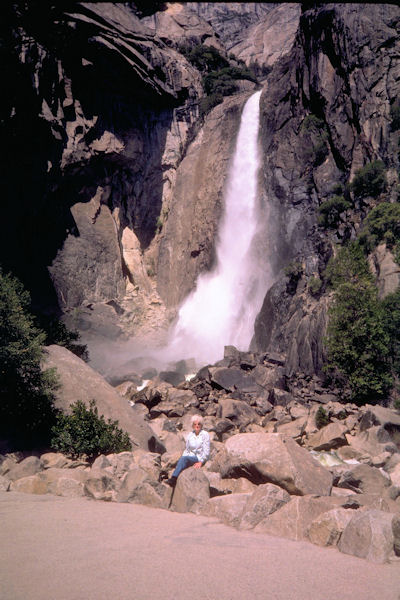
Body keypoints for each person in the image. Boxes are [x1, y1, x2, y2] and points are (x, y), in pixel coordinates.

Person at [167, 414, 210, 487]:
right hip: (190, 457)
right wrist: (183, 458)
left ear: (201, 425)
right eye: (195, 424)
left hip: (199, 457)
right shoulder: (190, 435)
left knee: (184, 459)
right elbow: (187, 449)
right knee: (183, 459)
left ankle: (174, 478)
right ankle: (176, 475)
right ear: (192, 425)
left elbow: (206, 451)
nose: (197, 426)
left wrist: (201, 462)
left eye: (199, 424)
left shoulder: (205, 435)